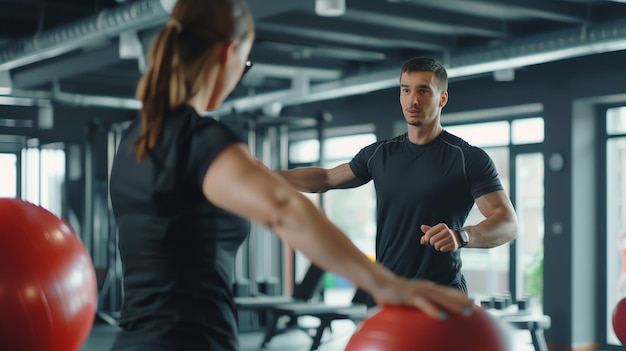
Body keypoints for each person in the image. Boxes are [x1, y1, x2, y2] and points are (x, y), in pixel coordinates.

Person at [107, 2, 474, 351]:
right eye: (245, 62)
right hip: (191, 341)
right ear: (227, 53)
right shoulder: (203, 140)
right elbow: (283, 209)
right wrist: (386, 285)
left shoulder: (135, 139)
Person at [277, 57, 518, 306]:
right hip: (386, 292)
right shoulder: (379, 154)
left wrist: (462, 236)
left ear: (442, 98)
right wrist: (266, 176)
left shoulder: (466, 158)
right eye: (406, 89)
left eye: (423, 90)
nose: (413, 100)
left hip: (440, 293)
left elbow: (508, 223)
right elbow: (325, 178)